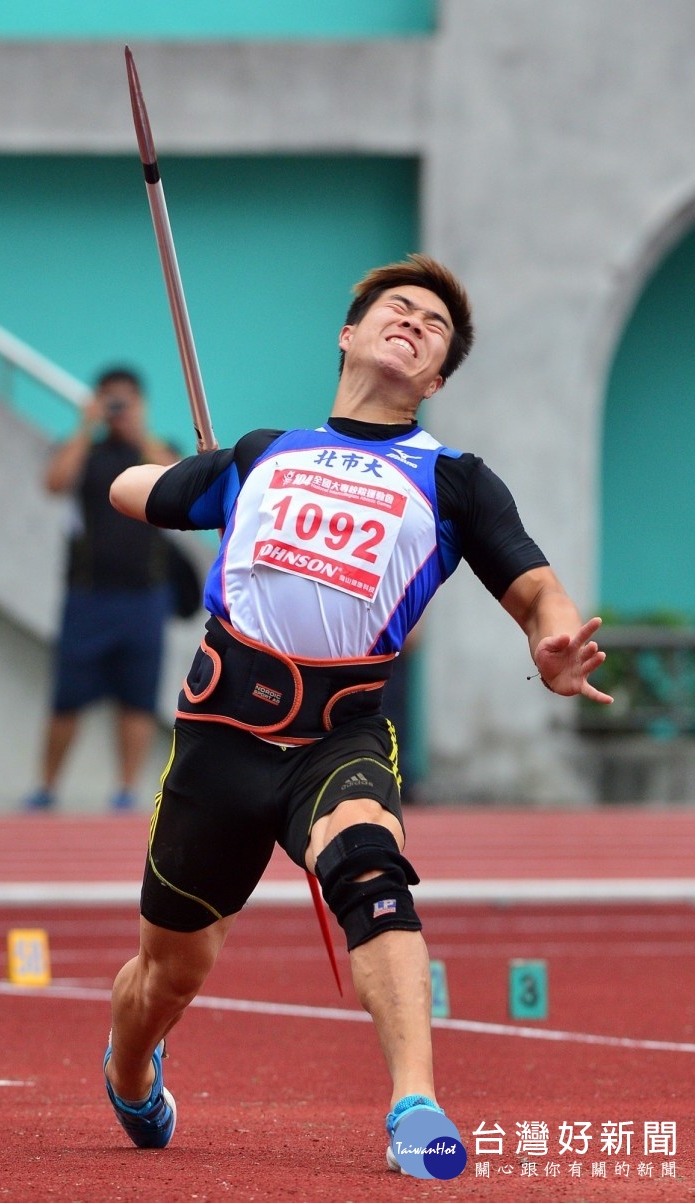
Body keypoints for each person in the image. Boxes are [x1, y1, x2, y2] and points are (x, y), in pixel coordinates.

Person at [101, 255, 612, 1173]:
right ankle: (130, 1067)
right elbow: (130, 491)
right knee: (171, 969)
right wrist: (209, 483)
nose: (414, 322)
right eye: (397, 309)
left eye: (435, 327)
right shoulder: (265, 454)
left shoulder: (454, 480)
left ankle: (414, 1104)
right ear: (349, 333)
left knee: (373, 873)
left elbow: (538, 588)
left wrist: (556, 639)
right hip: (220, 738)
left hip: (336, 736)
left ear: (438, 378)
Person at [23, 366, 178, 813]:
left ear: (141, 404)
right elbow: (53, 483)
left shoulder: (155, 451)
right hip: (87, 597)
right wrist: (86, 425)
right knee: (66, 697)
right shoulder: (84, 453)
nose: (118, 408)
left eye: (126, 400)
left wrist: (139, 431)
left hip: (146, 599)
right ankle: (46, 789)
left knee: (137, 699)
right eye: (110, 399)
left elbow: (176, 479)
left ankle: (126, 791)